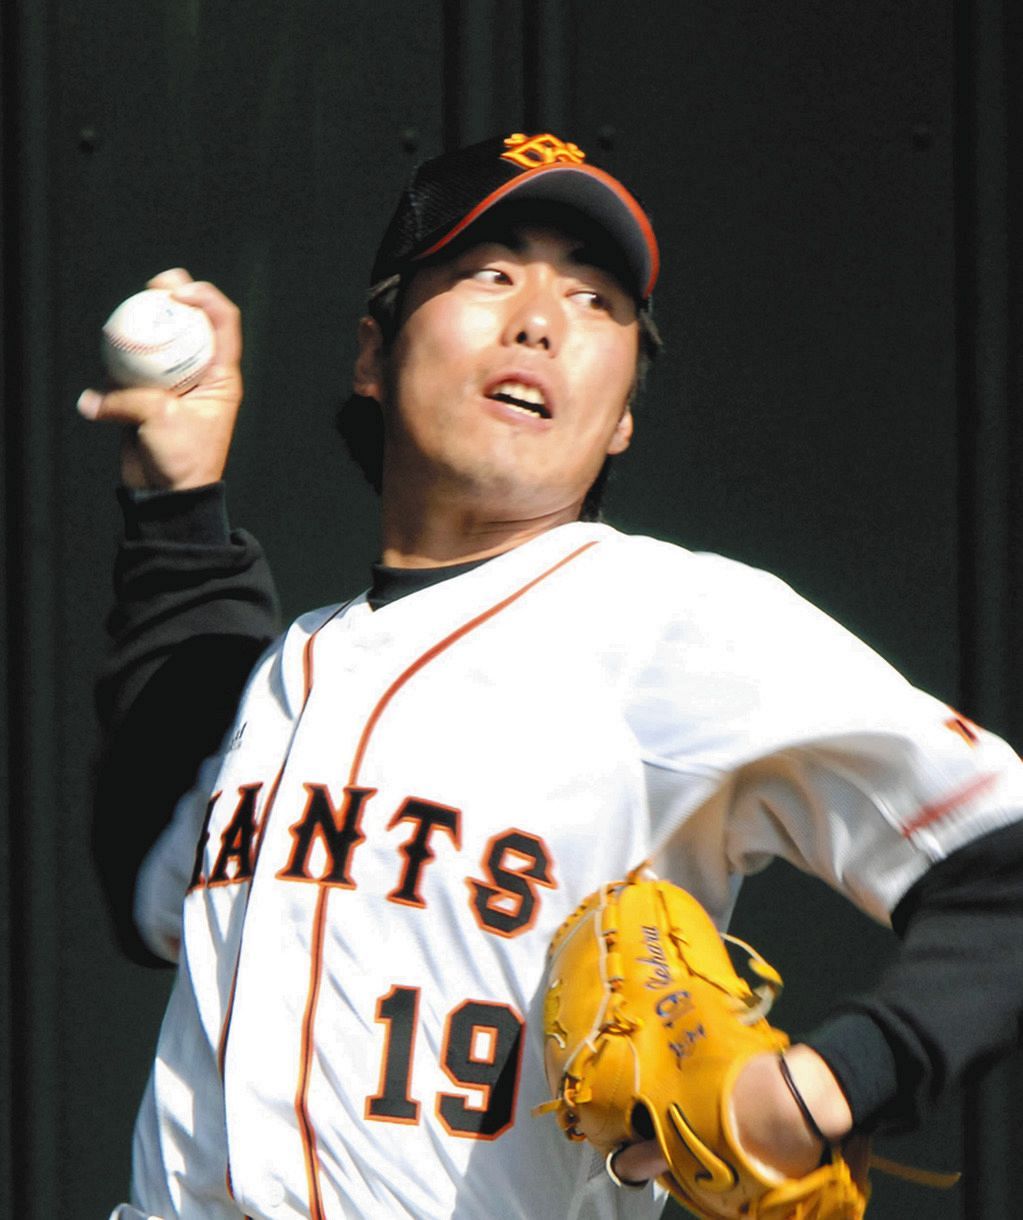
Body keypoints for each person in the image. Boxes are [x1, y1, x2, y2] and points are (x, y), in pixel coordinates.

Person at [83, 132, 1023, 1220]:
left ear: (622, 414)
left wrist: (833, 1081)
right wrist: (177, 510)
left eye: (595, 300)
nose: (538, 316)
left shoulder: (670, 622)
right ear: (371, 355)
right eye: (491, 271)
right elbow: (154, 870)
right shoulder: (294, 669)